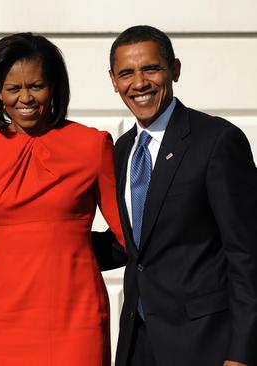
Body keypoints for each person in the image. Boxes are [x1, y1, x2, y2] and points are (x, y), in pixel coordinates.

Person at [0, 32, 126, 365]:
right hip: (3, 318)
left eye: (36, 86)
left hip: (76, 313)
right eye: (13, 88)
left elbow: (128, 233)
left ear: (54, 88)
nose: (26, 98)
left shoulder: (93, 146)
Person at [108, 25, 257, 366]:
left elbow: (247, 253)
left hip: (204, 344)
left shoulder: (217, 141)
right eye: (127, 73)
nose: (139, 83)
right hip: (137, 343)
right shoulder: (122, 151)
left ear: (174, 69)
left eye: (151, 68)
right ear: (113, 81)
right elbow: (132, 244)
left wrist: (243, 353)